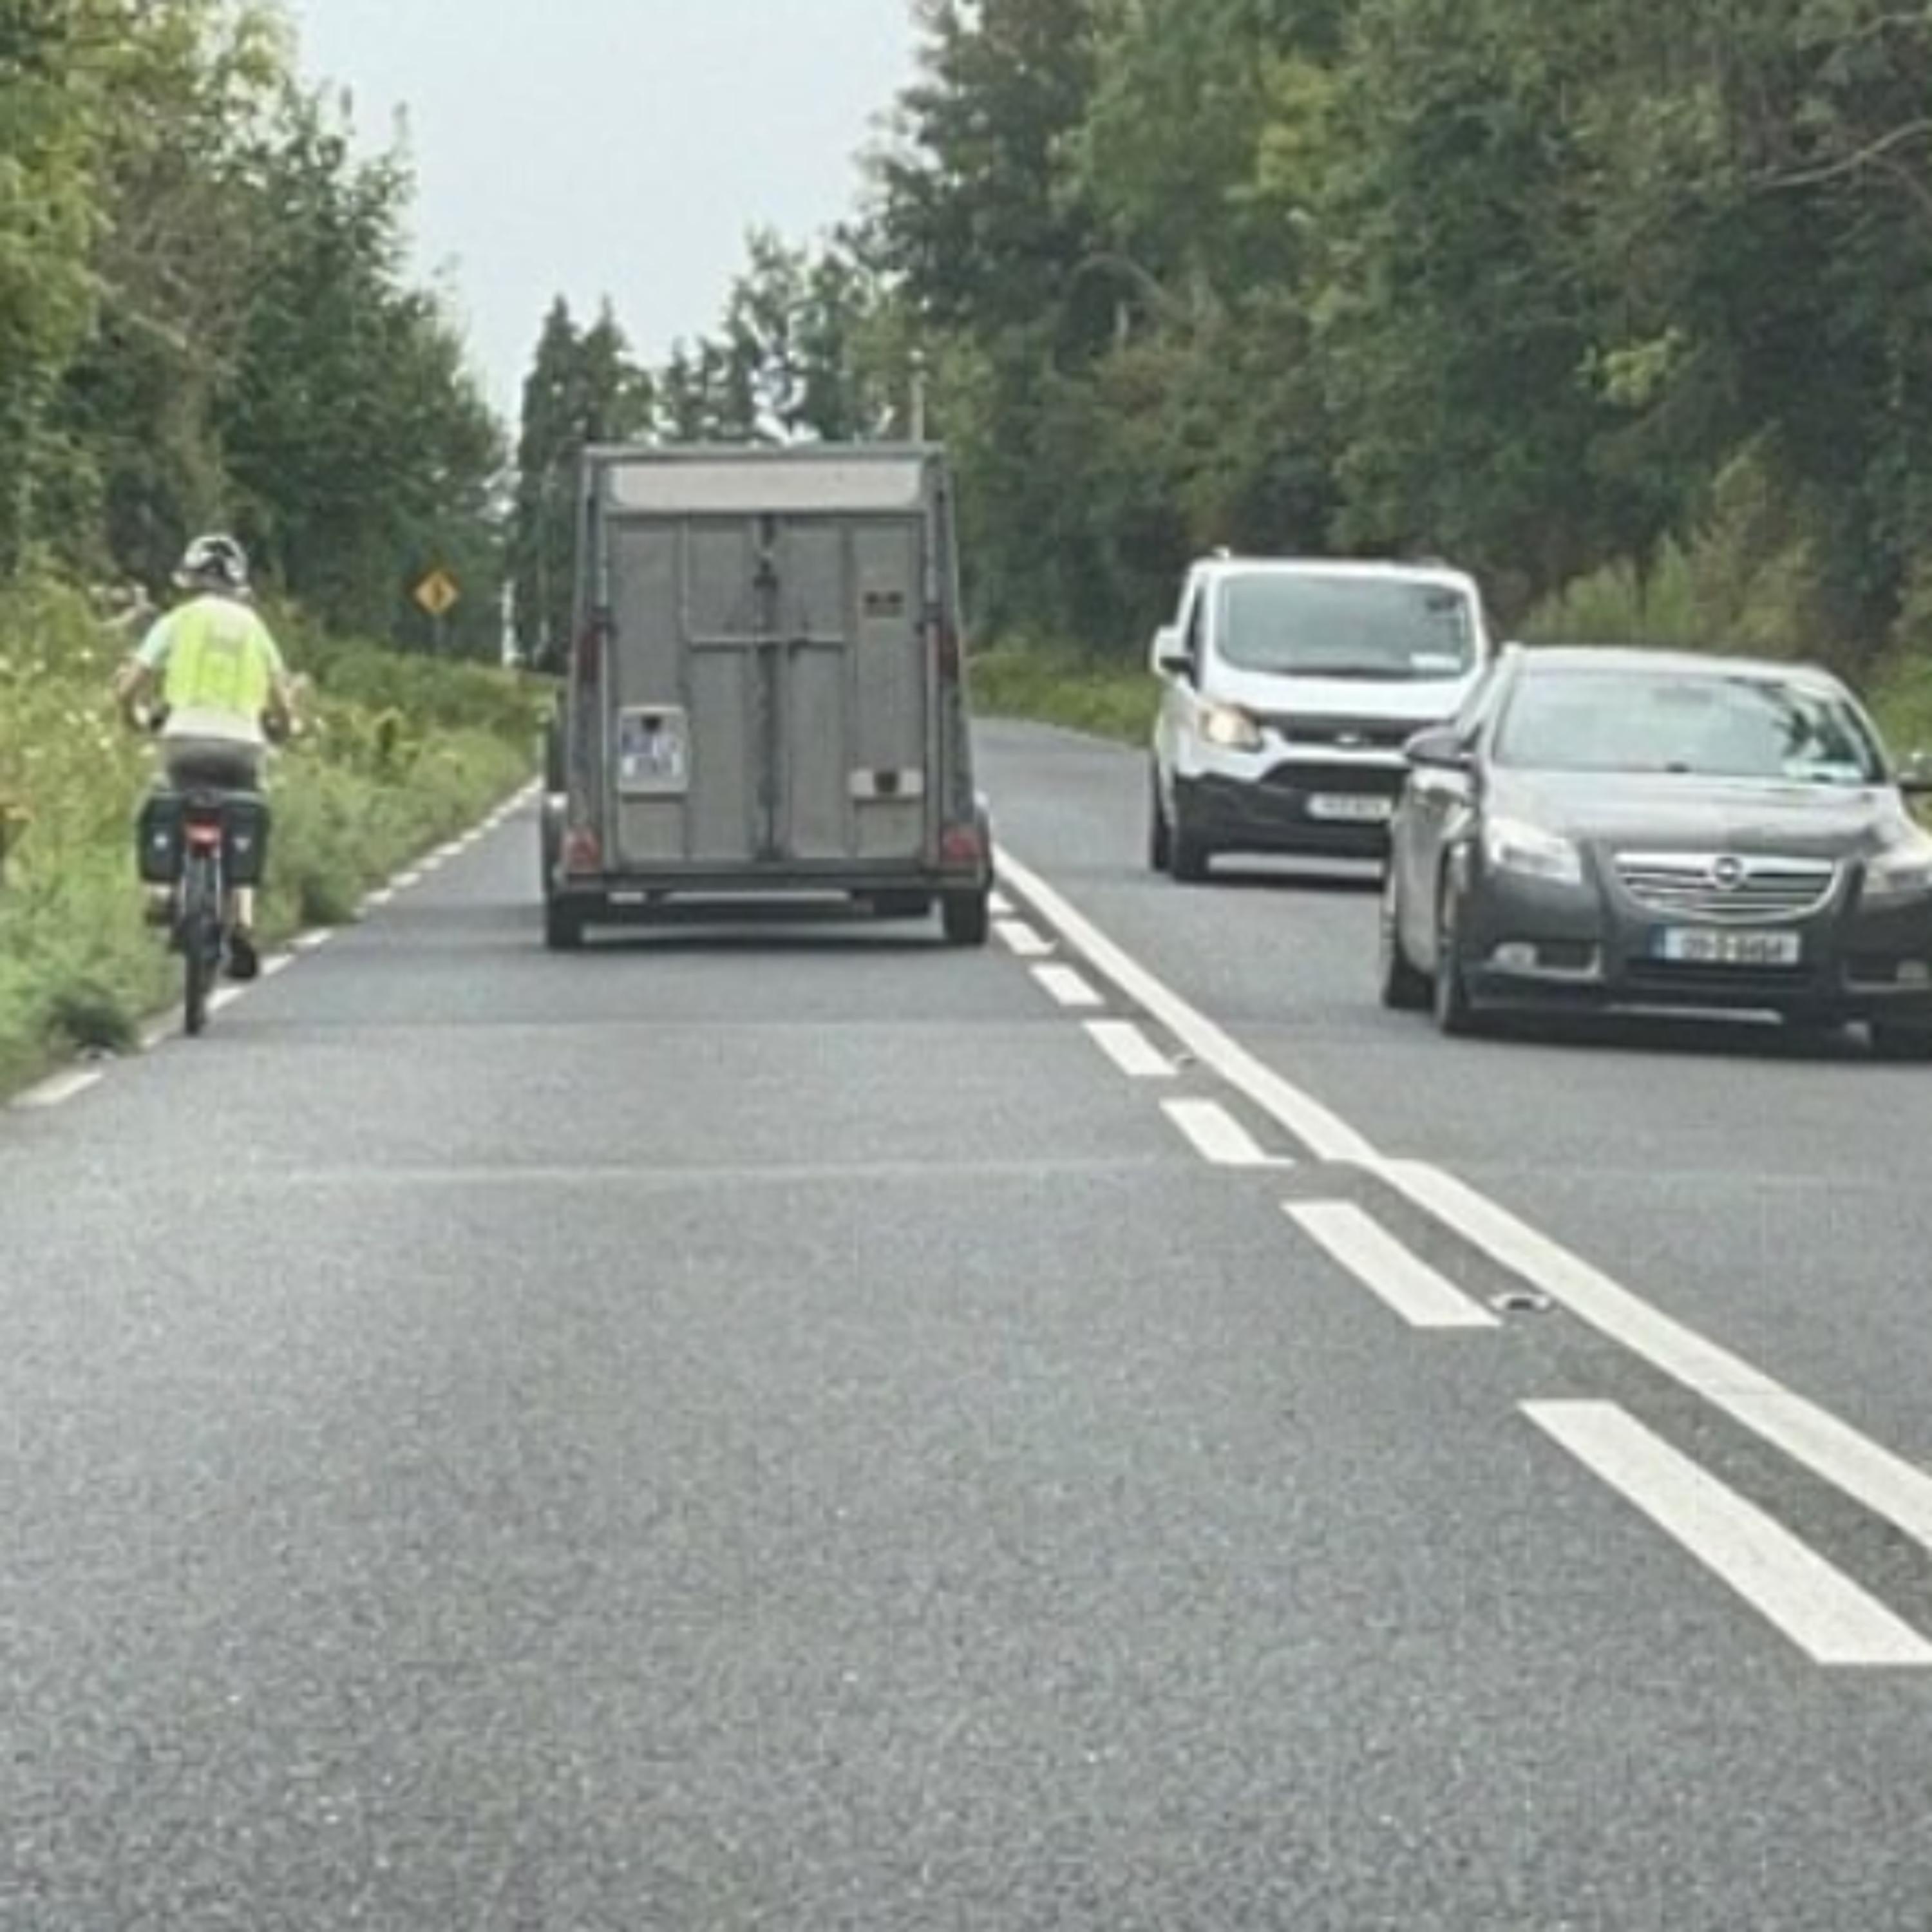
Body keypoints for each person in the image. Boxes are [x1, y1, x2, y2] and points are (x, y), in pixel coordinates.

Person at [113, 533, 296, 981]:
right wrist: (283, 729)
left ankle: (160, 892)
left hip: (184, 739)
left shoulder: (177, 620)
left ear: (189, 579)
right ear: (239, 584)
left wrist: (132, 716)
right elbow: (283, 699)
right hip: (242, 745)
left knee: (165, 799)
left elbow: (130, 683)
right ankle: (244, 924)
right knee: (247, 809)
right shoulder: (255, 628)